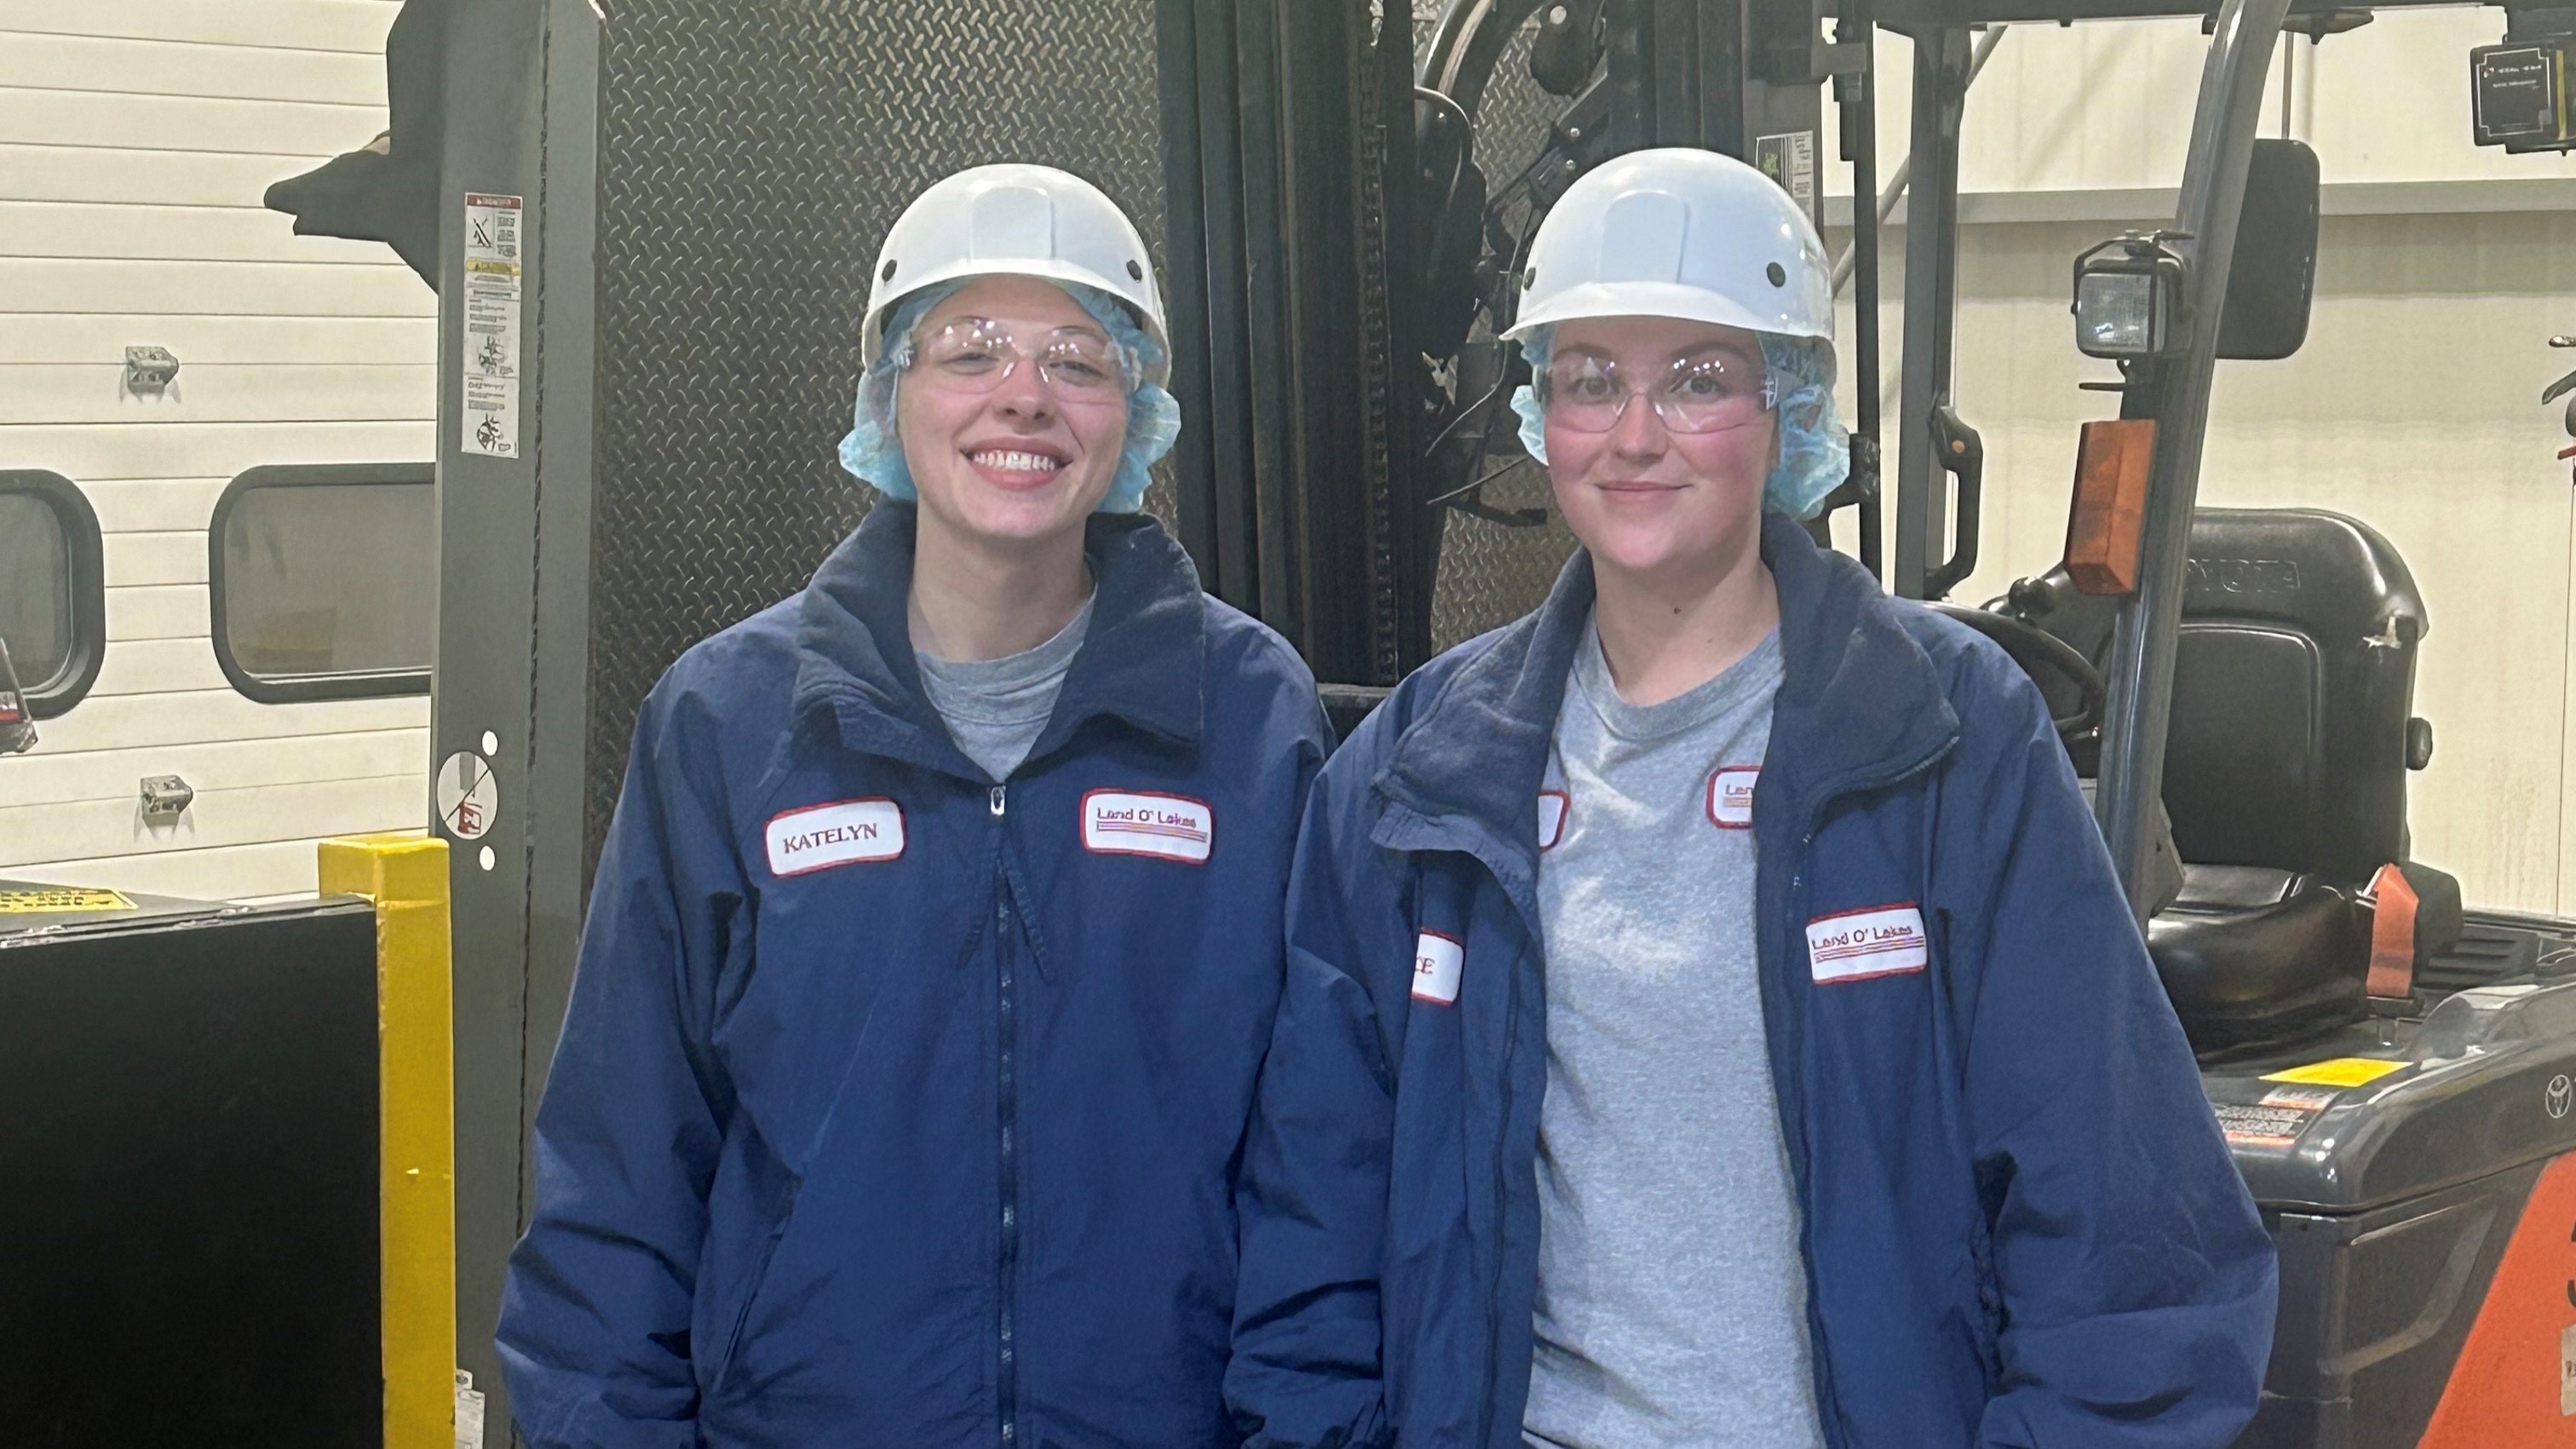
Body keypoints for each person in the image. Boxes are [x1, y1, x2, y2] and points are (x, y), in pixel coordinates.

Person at [1227, 147, 2277, 1449]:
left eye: (1699, 379)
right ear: (1537, 411)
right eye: (1590, 378)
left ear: (1790, 404)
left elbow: (2129, 1252)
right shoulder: (1419, 769)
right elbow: (1313, 1226)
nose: (1636, 434)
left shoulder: (1944, 740)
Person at [499, 163, 1332, 1448]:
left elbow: (1317, 1166)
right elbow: (619, 1177)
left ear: (1136, 414)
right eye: (970, 350)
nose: (1023, 395)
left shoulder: (1253, 717)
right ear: (890, 394)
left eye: (1078, 360)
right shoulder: (727, 722)